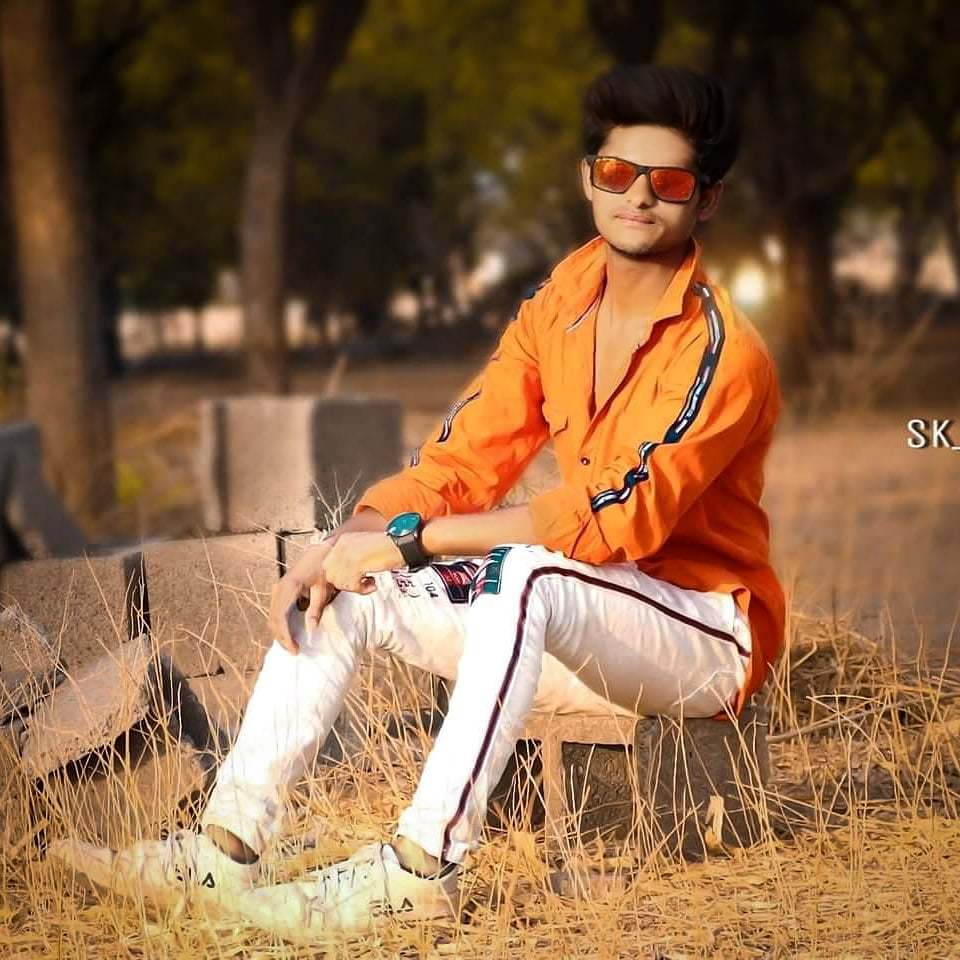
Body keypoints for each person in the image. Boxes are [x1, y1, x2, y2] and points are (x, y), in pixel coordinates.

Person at [49, 63, 785, 940]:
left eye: (669, 183)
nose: (638, 197)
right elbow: (466, 455)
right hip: (579, 622)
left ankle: (421, 871)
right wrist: (352, 541)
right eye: (618, 172)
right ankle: (226, 848)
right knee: (351, 583)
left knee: (526, 574)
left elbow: (609, 520)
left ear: (707, 200)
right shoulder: (559, 305)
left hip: (701, 634)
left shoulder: (723, 352)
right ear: (588, 178)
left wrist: (413, 542)